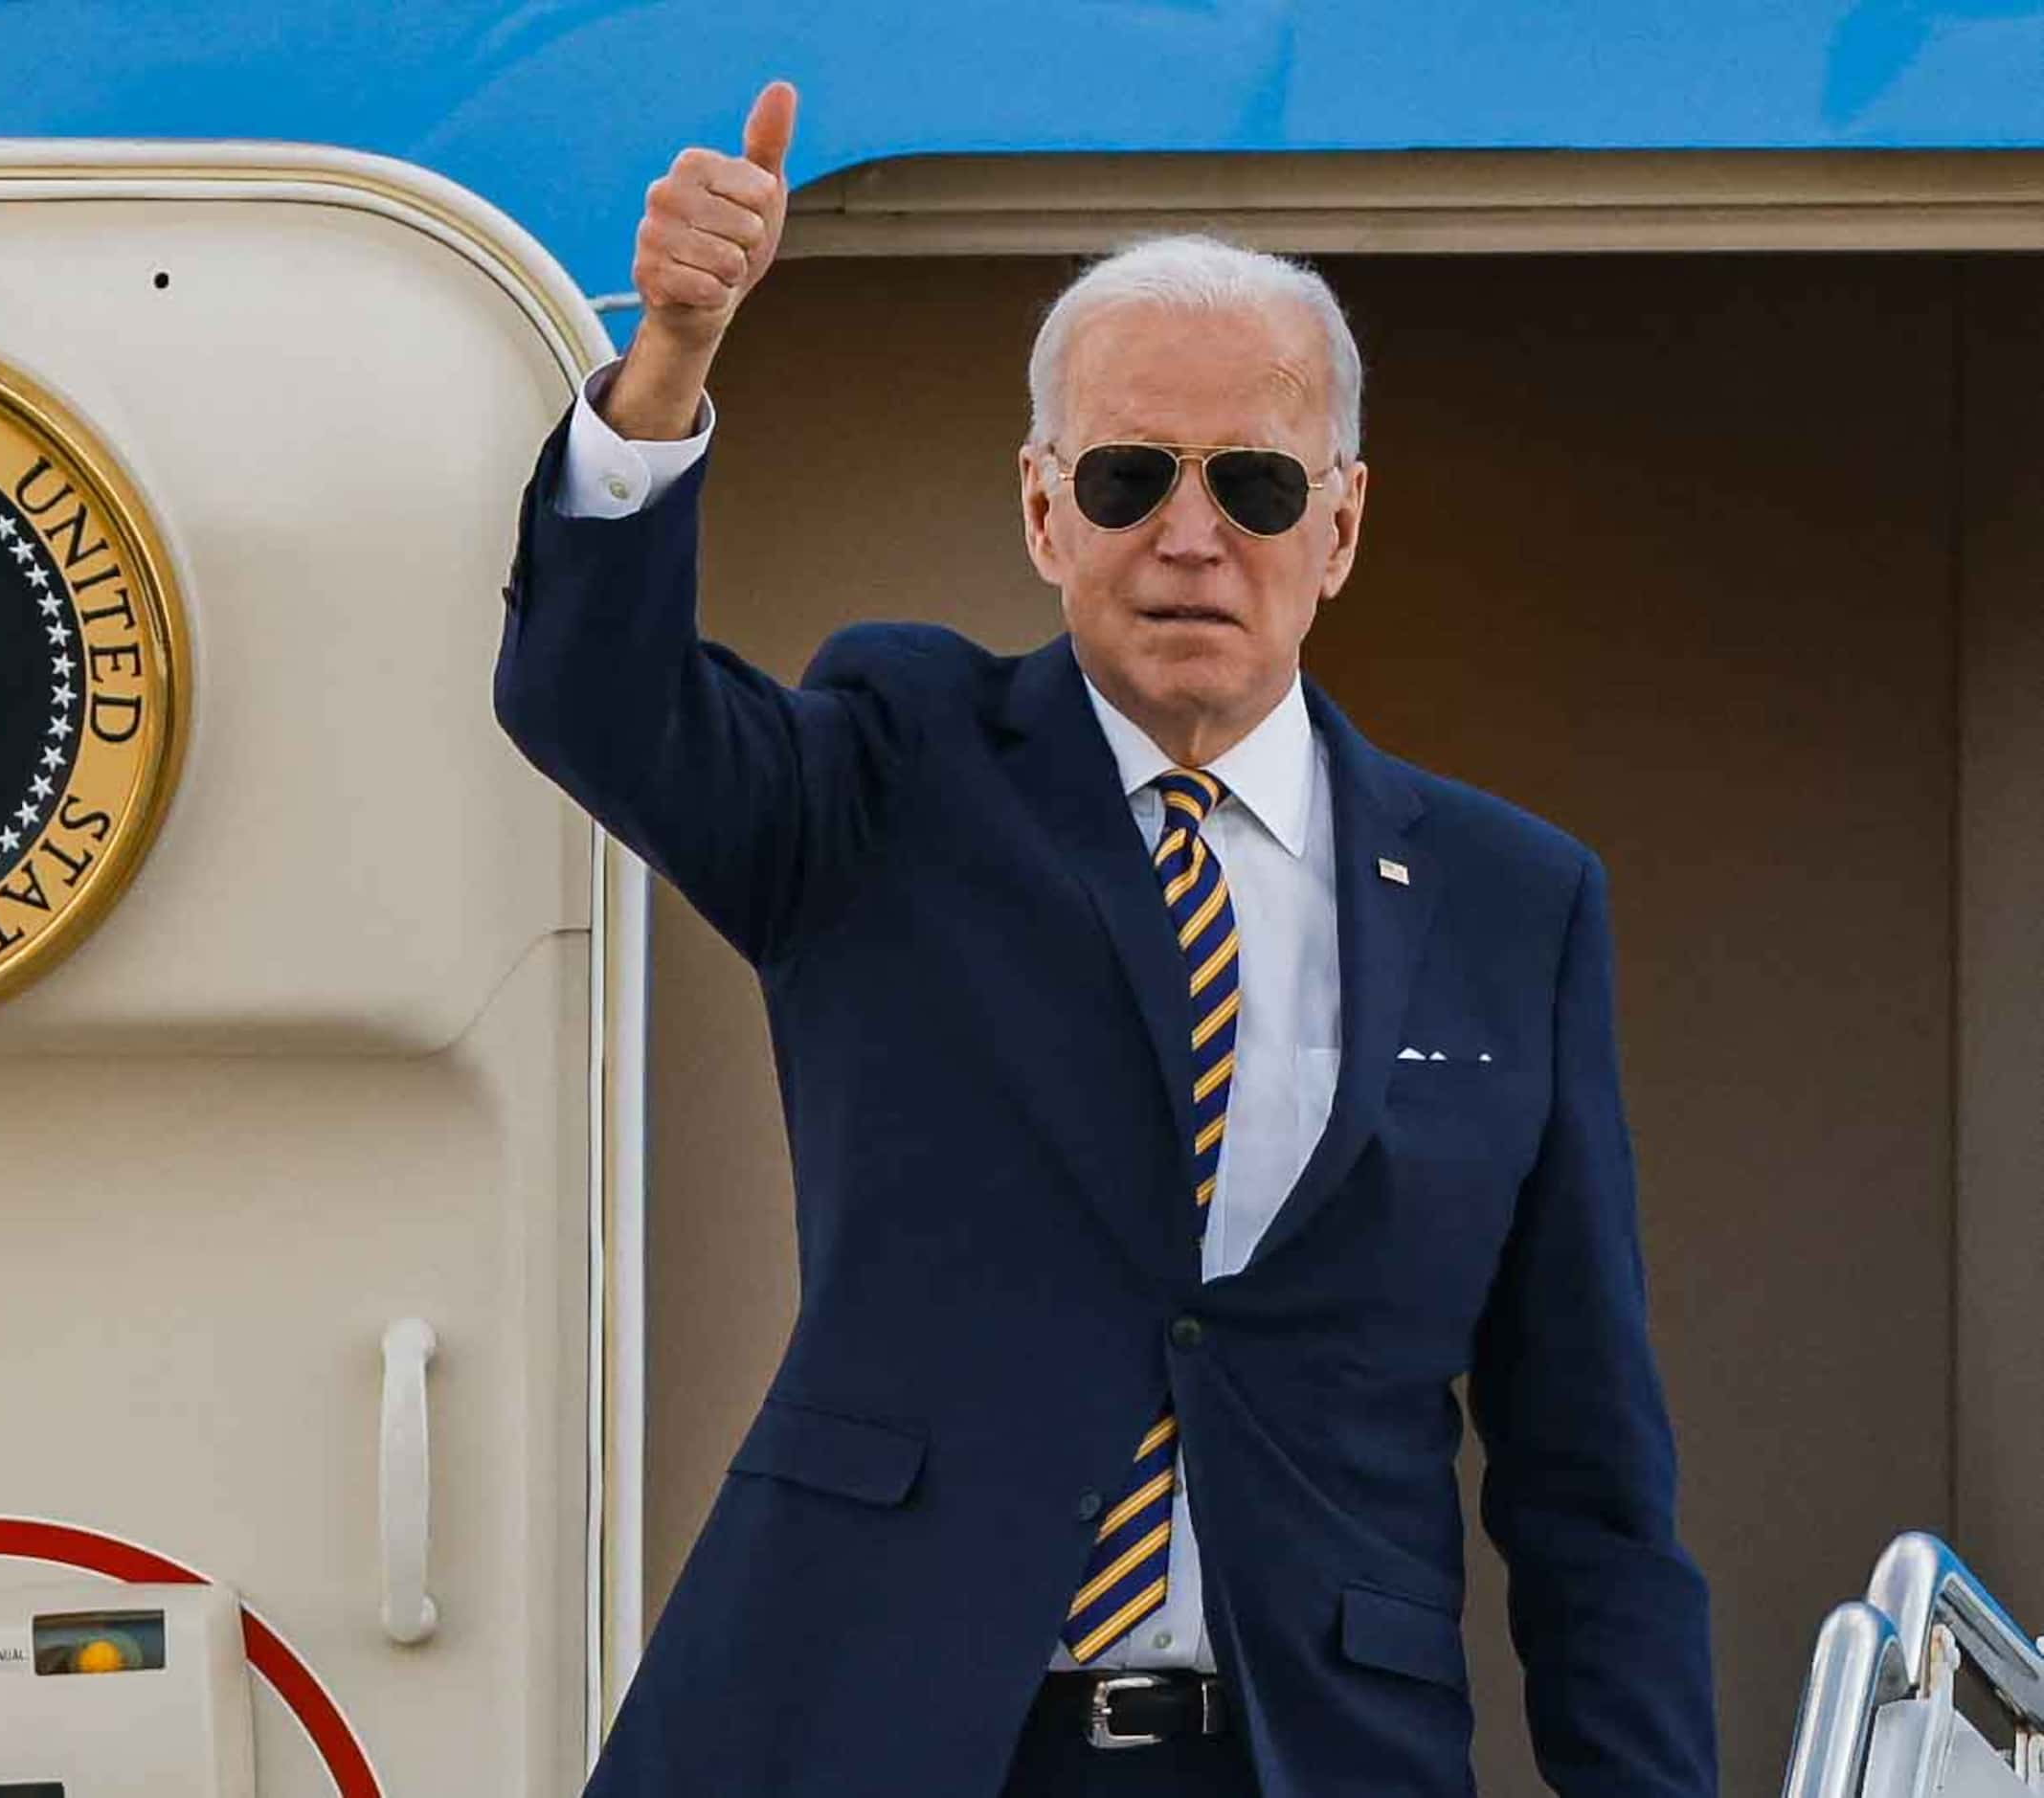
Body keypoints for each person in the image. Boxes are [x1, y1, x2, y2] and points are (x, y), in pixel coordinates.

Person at [492, 77, 1716, 1798]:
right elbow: (595, 704)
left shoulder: (1517, 900)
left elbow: (1588, 1481)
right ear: (1043, 507)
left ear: (1342, 524)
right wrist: (671, 363)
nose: (1192, 534)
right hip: (878, 1729)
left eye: (1258, 484)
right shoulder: (894, 767)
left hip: (1304, 1753)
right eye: (1132, 473)